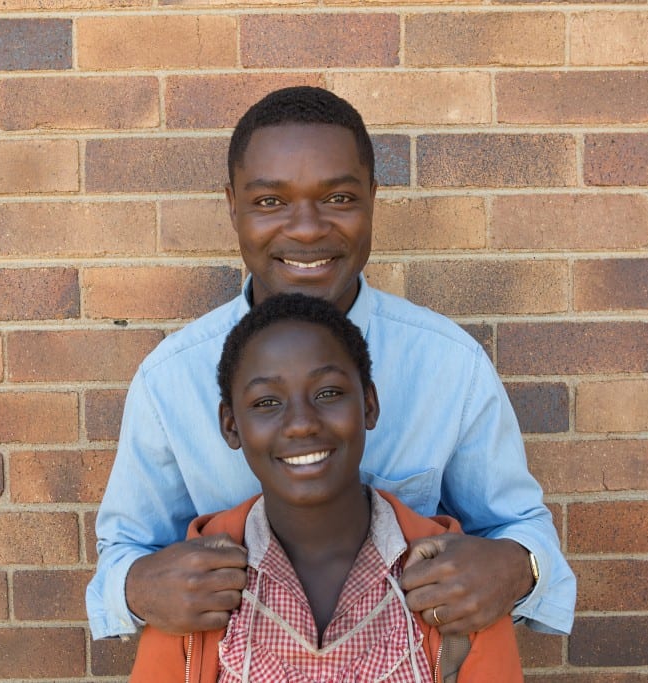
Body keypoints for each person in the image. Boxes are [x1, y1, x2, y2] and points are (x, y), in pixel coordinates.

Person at [86, 86, 575, 643]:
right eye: (270, 202)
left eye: (338, 198)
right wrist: (137, 587)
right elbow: (124, 552)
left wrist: (517, 568)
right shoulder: (170, 379)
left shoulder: (449, 365)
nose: (307, 228)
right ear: (232, 206)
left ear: (372, 197)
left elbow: (520, 528)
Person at [130, 292, 523, 681]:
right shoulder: (194, 588)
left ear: (369, 405)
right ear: (231, 425)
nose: (301, 423)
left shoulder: (457, 582)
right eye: (267, 402)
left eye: (329, 393)